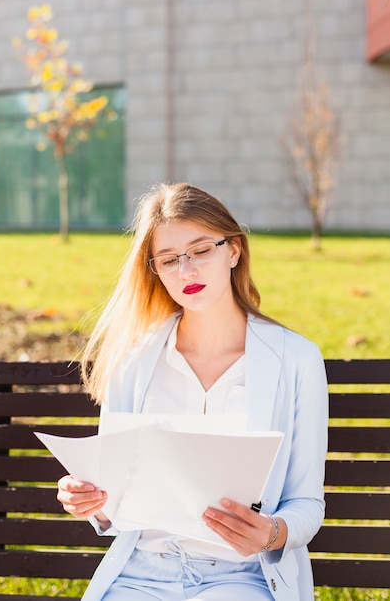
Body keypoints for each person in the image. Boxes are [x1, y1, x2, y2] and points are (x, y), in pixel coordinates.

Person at [57, 182, 328, 601]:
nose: (187, 271)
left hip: (241, 578)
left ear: (233, 251)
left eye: (202, 250)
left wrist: (271, 533)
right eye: (169, 260)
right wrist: (90, 501)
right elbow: (113, 500)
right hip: (140, 574)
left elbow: (307, 502)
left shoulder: (296, 359)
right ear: (156, 271)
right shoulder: (133, 357)